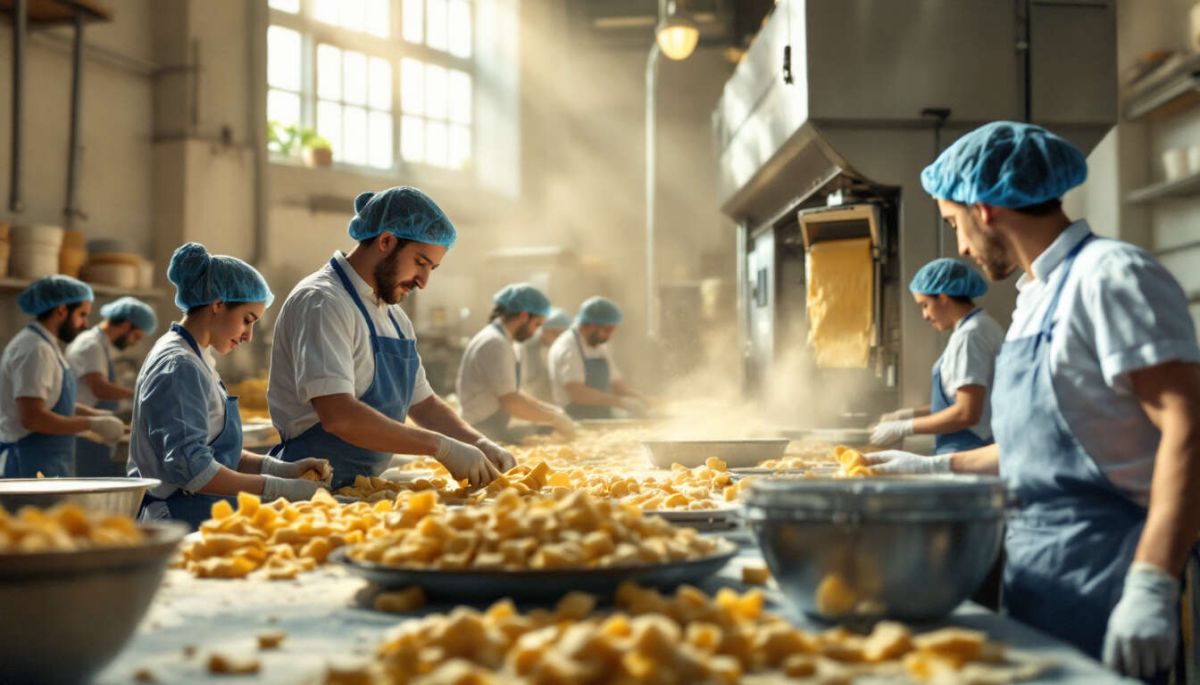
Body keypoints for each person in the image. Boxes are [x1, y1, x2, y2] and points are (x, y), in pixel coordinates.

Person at [866, 121, 1200, 680]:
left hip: (1112, 577)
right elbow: (1036, 448)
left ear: (985, 207)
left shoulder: (1111, 276)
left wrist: (1152, 582)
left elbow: (1188, 431)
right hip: (1040, 576)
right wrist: (933, 465)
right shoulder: (1033, 299)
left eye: (955, 224)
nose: (962, 247)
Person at [268, 186, 514, 490]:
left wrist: (478, 441)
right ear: (386, 241)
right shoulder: (323, 302)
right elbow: (339, 416)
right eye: (421, 263)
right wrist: (442, 447)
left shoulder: (394, 316)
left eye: (432, 268)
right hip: (309, 490)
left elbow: (423, 404)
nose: (424, 282)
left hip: (359, 487)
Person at [129, 243, 330, 530]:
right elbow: (194, 470)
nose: (248, 335)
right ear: (218, 304)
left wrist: (282, 470)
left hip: (202, 515)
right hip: (178, 519)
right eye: (247, 320)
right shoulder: (179, 366)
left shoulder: (197, 358)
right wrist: (275, 488)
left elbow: (215, 453)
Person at [870, 259, 1004, 454]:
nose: (924, 315)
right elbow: (958, 401)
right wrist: (905, 415)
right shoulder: (978, 327)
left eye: (924, 305)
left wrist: (905, 427)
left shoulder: (970, 336)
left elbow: (967, 413)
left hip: (970, 451)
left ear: (943, 298)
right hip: (967, 451)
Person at [0, 276, 126, 477]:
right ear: (61, 310)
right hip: (28, 464)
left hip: (47, 462)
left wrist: (98, 416)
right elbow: (33, 418)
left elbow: (52, 401)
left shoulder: (46, 345)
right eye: (82, 314)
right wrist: (92, 425)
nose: (85, 323)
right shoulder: (35, 349)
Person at [457, 285, 577, 443]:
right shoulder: (495, 343)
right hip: (482, 430)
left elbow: (513, 392)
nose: (536, 332)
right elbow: (512, 402)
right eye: (537, 324)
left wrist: (553, 411)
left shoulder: (505, 341)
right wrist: (554, 419)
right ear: (523, 316)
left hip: (492, 427)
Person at [66, 296, 158, 476]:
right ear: (125, 325)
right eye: (136, 335)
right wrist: (138, 393)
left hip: (93, 432)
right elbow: (99, 388)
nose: (135, 342)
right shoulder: (91, 345)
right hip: (85, 434)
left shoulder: (100, 345)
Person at [548, 296, 649, 420]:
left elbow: (618, 386)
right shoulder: (568, 347)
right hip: (576, 419)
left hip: (601, 417)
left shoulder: (599, 344)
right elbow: (578, 393)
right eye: (607, 330)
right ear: (590, 324)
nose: (610, 335)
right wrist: (622, 403)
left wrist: (644, 400)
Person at [519, 307, 571, 403]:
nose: (559, 338)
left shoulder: (566, 350)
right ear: (543, 330)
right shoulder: (525, 348)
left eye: (562, 334)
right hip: (531, 402)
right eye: (555, 333)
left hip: (558, 403)